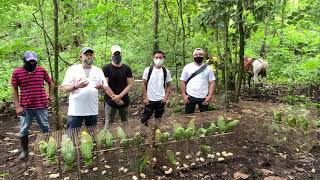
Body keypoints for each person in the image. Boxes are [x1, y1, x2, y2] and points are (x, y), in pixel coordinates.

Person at [11, 51, 53, 159]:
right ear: (24, 61)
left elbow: (51, 83)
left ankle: (49, 148)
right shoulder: (17, 72)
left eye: (34, 61)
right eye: (30, 61)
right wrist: (17, 106)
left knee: (45, 127)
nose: (32, 63)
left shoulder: (41, 70)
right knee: (24, 129)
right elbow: (15, 90)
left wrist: (50, 97)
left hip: (41, 105)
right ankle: (25, 151)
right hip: (26, 107)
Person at [62, 47, 110, 129]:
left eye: (91, 55)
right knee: (72, 136)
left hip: (92, 110)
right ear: (81, 57)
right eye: (86, 55)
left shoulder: (98, 70)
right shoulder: (73, 69)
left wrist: (101, 88)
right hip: (76, 111)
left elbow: (105, 87)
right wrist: (76, 86)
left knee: (92, 136)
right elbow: (64, 88)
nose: (89, 57)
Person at [102, 45, 134, 128]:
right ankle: (107, 139)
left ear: (121, 55)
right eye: (115, 54)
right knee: (109, 122)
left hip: (124, 100)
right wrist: (115, 98)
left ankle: (126, 140)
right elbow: (105, 85)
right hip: (110, 101)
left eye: (118, 54)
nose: (117, 56)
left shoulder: (126, 68)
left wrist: (120, 96)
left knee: (125, 121)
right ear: (111, 55)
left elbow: (130, 84)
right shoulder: (106, 68)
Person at [141, 50, 172, 126]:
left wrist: (165, 97)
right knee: (145, 118)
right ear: (153, 58)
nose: (158, 59)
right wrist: (145, 97)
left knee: (158, 119)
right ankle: (143, 133)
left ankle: (156, 133)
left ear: (163, 58)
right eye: (156, 57)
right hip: (150, 99)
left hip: (161, 100)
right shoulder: (148, 70)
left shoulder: (166, 71)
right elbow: (143, 84)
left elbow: (169, 85)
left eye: (160, 58)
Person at [180, 48, 215, 114]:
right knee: (188, 116)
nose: (198, 56)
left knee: (205, 116)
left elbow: (212, 82)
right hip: (190, 96)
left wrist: (209, 96)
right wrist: (184, 95)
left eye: (200, 54)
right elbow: (182, 81)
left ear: (203, 56)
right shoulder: (187, 67)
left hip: (204, 97)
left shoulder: (208, 68)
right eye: (196, 54)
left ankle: (204, 124)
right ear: (193, 56)